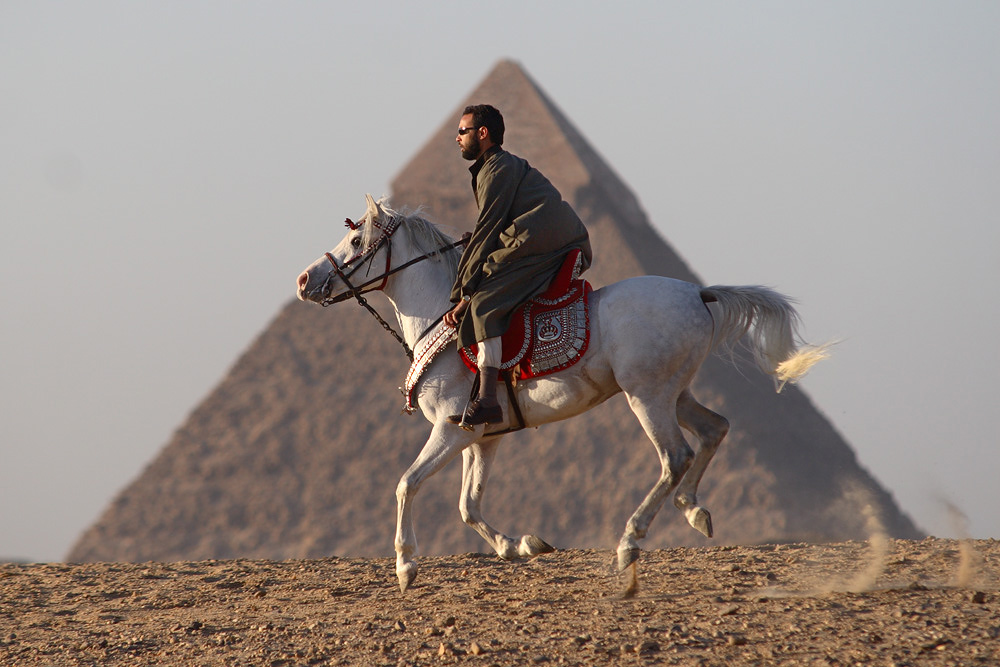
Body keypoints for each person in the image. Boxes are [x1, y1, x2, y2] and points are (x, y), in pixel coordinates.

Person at [444, 104, 592, 426]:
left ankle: (486, 400)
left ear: (482, 134)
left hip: (547, 243)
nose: (456, 138)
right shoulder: (496, 166)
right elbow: (492, 228)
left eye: (462, 131)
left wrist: (464, 294)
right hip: (541, 236)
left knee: (483, 303)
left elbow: (488, 229)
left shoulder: (496, 169)